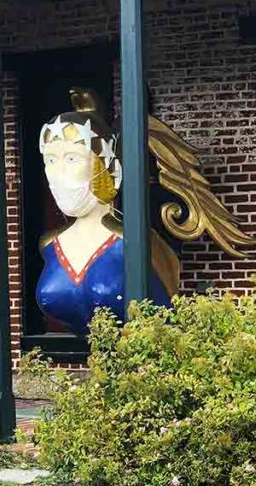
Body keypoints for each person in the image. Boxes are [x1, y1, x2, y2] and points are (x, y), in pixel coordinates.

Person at [35, 90, 175, 335]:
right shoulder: (49, 245)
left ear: (104, 165)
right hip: (73, 366)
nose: (58, 174)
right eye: (50, 161)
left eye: (71, 159)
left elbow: (167, 311)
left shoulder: (132, 241)